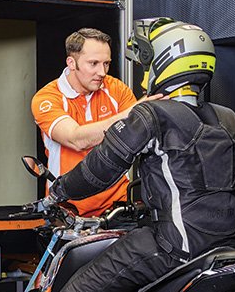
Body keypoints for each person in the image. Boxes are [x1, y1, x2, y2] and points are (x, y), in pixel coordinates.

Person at [42, 19, 235, 292]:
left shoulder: (151, 113)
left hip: (173, 245)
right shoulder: (227, 117)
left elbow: (99, 167)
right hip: (227, 245)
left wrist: (57, 192)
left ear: (164, 63)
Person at [31, 28, 160, 216]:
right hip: (69, 209)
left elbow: (139, 135)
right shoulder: (47, 98)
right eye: (93, 63)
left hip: (118, 206)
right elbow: (76, 139)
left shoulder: (116, 89)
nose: (102, 72)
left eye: (106, 63)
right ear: (71, 63)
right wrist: (134, 113)